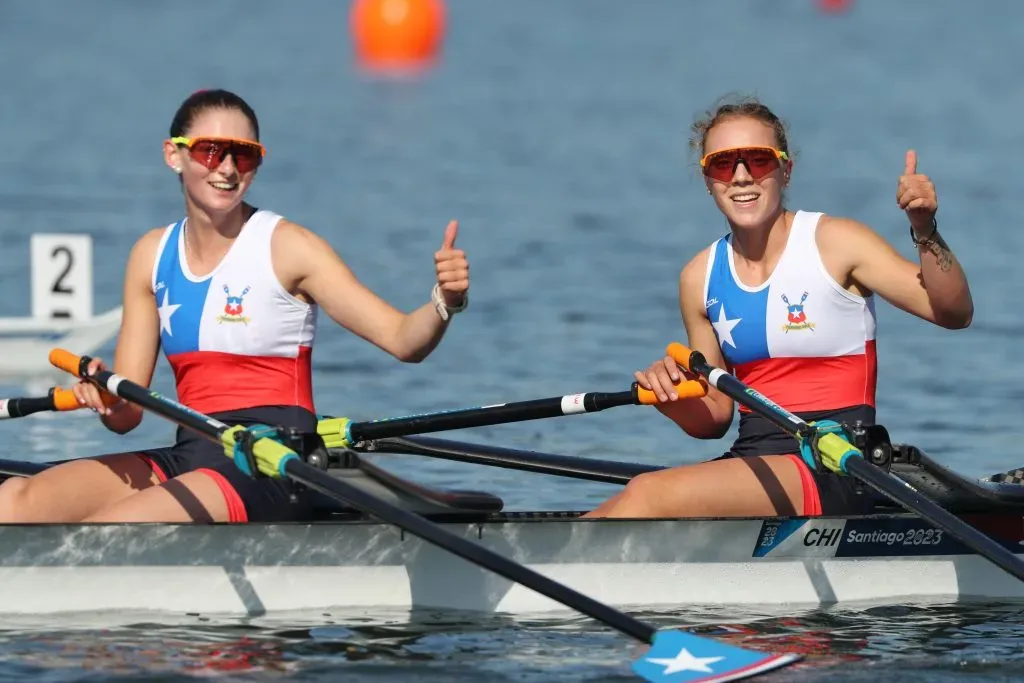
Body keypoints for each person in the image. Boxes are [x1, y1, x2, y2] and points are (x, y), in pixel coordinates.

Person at [0, 88, 471, 524]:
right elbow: (128, 417)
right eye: (211, 151)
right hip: (191, 458)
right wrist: (101, 399)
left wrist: (443, 301)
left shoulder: (290, 248)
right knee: (15, 502)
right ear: (174, 154)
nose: (227, 168)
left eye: (243, 156)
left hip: (274, 465)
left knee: (113, 528)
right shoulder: (151, 255)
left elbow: (403, 340)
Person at [585, 94, 973, 519]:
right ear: (708, 180)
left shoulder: (836, 243)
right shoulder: (699, 276)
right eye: (722, 164)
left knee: (648, 494)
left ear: (785, 170)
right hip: (755, 462)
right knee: (634, 497)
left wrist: (925, 229)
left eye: (758, 160)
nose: (740, 177)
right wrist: (669, 398)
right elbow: (714, 417)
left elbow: (952, 312)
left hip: (838, 463)